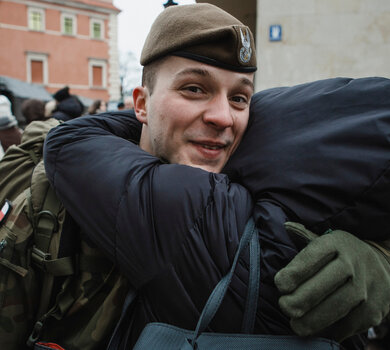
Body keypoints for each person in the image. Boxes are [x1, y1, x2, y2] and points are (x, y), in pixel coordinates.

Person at [43, 4, 388, 350]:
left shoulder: (275, 186)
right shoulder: (50, 201)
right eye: (194, 88)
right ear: (142, 104)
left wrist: (378, 256)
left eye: (240, 98)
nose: (224, 117)